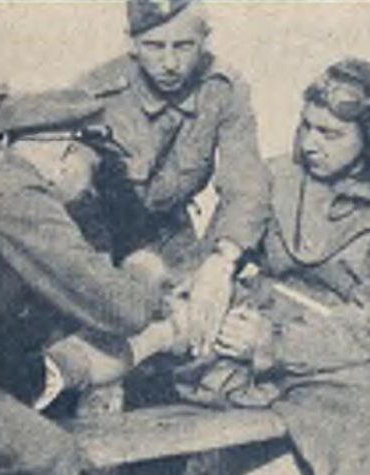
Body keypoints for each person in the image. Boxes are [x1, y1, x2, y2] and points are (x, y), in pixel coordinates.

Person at [0, 90, 191, 473]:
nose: (89, 192)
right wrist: (151, 278)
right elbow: (125, 309)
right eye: (92, 171)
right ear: (65, 155)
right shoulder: (19, 196)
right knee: (56, 458)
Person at [196, 57, 370, 475]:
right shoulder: (272, 177)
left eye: (331, 133)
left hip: (355, 364)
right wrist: (227, 303)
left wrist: (273, 343)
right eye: (307, 126)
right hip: (249, 357)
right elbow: (216, 261)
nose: (311, 144)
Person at [71, 0, 271, 356]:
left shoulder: (223, 89)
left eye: (183, 46)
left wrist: (220, 263)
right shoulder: (95, 92)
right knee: (103, 323)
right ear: (131, 43)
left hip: (170, 233)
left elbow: (246, 184)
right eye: (154, 46)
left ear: (205, 40)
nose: (169, 63)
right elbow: (77, 195)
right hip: (97, 235)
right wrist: (120, 268)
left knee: (206, 324)